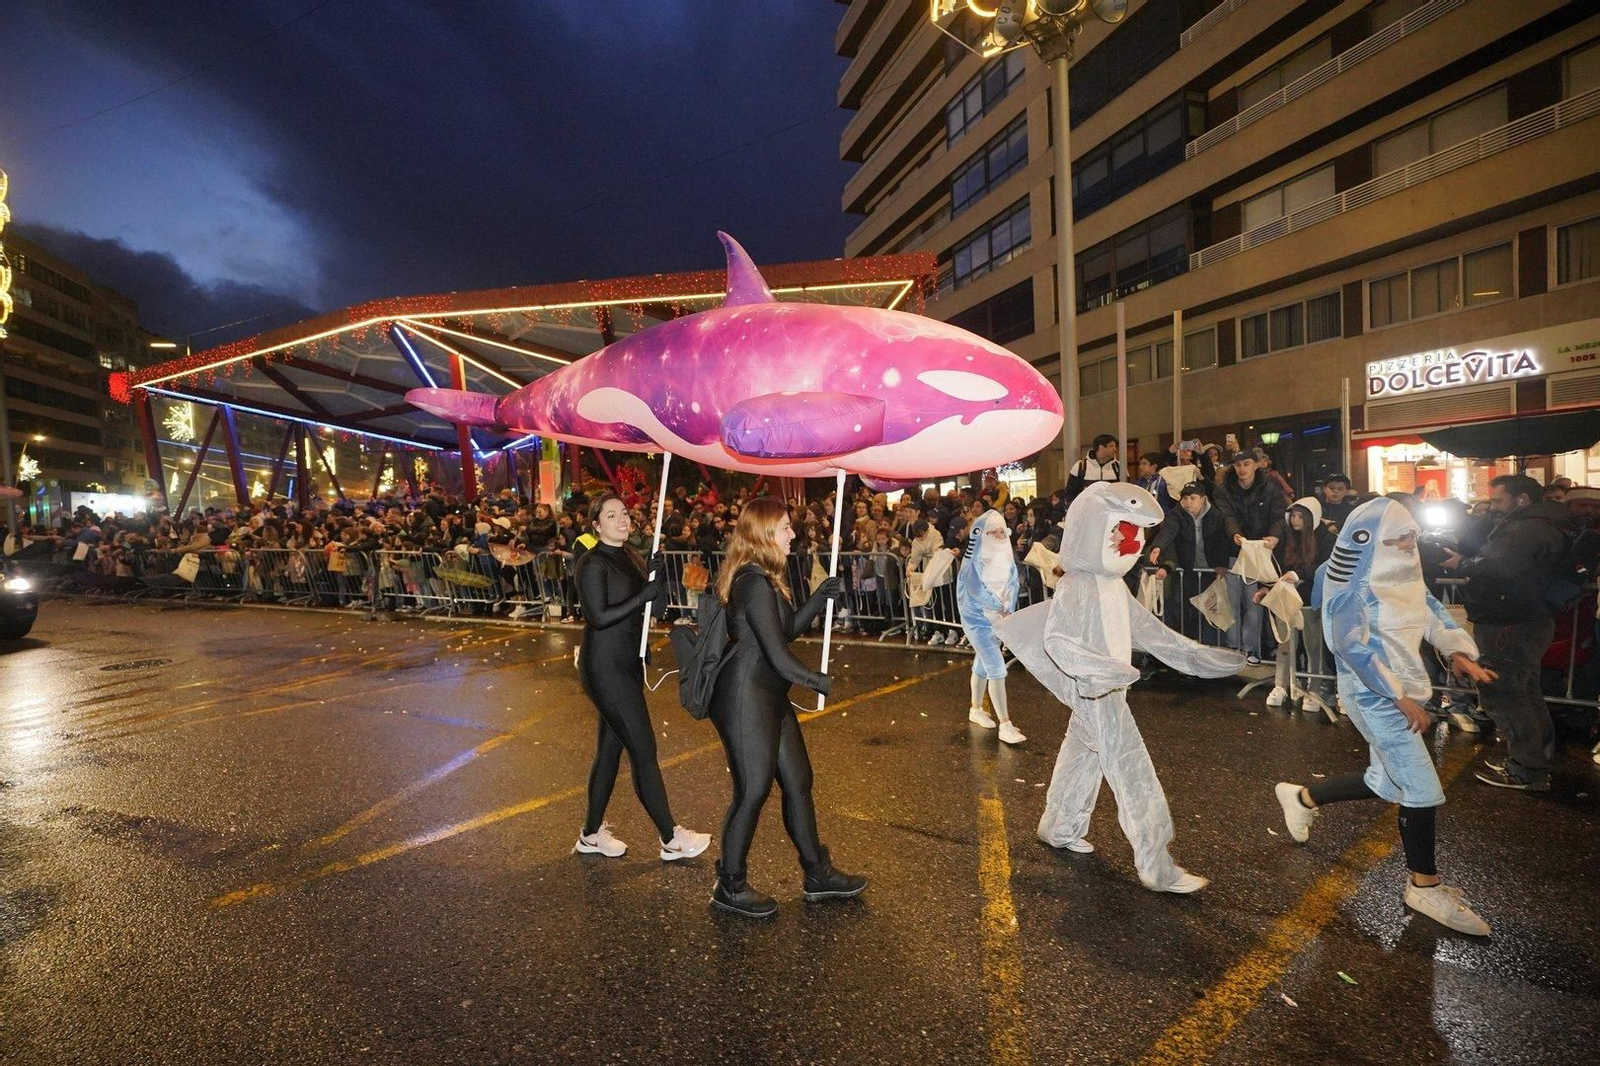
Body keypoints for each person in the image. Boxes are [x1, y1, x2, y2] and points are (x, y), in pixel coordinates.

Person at [996, 483, 1244, 893]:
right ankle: (1156, 863)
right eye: (1121, 530)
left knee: (1083, 756)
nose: (1129, 541)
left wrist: (1201, 658)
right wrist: (1099, 670)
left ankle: (1058, 827)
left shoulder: (1114, 586)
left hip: (1111, 687)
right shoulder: (1076, 585)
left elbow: (1152, 633)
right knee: (1132, 771)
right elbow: (1057, 640)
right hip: (1097, 690)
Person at [1274, 498, 1499, 935]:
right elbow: (1354, 650)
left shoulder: (1405, 574)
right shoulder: (1351, 591)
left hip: (1400, 694)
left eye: (1411, 535)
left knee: (1387, 781)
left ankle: (1302, 798)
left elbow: (1431, 611)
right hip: (1372, 697)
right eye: (1397, 538)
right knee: (1420, 789)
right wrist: (1400, 698)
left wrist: (1458, 653)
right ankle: (1424, 886)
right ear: (1369, 542)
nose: (1408, 543)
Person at [707, 497, 863, 918]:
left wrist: (818, 597)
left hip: (767, 693)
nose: (793, 534)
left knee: (798, 780)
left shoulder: (766, 577)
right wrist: (817, 681)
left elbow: (788, 629)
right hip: (744, 696)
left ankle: (817, 873)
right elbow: (777, 654)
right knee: (753, 789)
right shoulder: (753, 582)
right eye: (785, 528)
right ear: (763, 534)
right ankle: (730, 884)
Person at [572, 495, 711, 862]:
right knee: (643, 750)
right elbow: (598, 616)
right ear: (596, 525)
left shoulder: (631, 558)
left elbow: (657, 608)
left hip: (629, 665)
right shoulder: (591, 562)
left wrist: (654, 579)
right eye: (611, 515)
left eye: (625, 514)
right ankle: (671, 839)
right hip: (604, 668)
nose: (622, 520)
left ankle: (590, 834)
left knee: (609, 752)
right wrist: (640, 597)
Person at [1441, 474, 1567, 792]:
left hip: (1509, 624)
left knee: (1505, 694)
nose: (1492, 506)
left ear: (1521, 499)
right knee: (1526, 692)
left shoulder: (1526, 528)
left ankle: (1528, 768)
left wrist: (1461, 562)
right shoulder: (1540, 524)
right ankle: (1535, 760)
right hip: (1524, 621)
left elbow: (1497, 566)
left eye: (1498, 500)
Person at [1255, 497, 1335, 712]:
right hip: (1285, 597)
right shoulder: (1286, 538)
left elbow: (1326, 567)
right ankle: (1282, 685)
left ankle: (1314, 687)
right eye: (1293, 516)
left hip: (1312, 598)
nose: (1296, 520)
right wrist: (1265, 588)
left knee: (1313, 645)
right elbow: (1274, 567)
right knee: (1285, 642)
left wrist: (1299, 574)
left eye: (1301, 516)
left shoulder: (1325, 539)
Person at [958, 509, 1025, 745]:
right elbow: (976, 590)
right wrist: (1000, 605)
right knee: (996, 666)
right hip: (977, 620)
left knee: (983, 664)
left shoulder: (1006, 558)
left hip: (998, 619)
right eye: (993, 531)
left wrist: (1008, 605)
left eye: (1001, 530)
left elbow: (1013, 582)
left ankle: (975, 708)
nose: (999, 535)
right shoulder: (971, 563)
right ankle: (1005, 724)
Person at [1214, 451, 1287, 663]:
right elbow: (1227, 515)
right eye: (1237, 465)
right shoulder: (1224, 488)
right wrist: (1234, 533)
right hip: (1234, 550)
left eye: (1246, 464)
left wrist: (1274, 536)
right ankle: (1233, 646)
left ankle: (1252, 649)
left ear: (1256, 465)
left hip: (1259, 551)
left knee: (1254, 602)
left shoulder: (1270, 487)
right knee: (1232, 602)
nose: (1242, 469)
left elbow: (1278, 514)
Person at [1147, 481, 1231, 640]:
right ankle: (1185, 644)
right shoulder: (1176, 514)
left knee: (1209, 610)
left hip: (1209, 572)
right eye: (1184, 498)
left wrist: (1221, 564)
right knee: (1183, 609)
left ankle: (1209, 646)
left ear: (1203, 499)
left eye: (1193, 498)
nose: (1188, 502)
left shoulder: (1215, 516)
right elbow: (1168, 531)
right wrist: (1158, 547)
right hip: (1186, 571)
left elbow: (1221, 541)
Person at [1065, 434, 1121, 504]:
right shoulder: (1080, 467)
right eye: (1111, 446)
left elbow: (1125, 492)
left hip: (1111, 512)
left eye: (1115, 446)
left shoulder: (1119, 467)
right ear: (1101, 447)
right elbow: (1070, 494)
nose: (1115, 449)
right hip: (1087, 512)